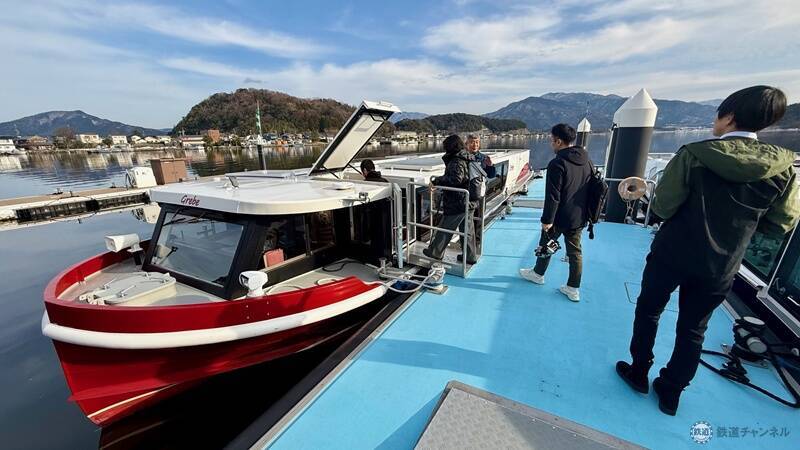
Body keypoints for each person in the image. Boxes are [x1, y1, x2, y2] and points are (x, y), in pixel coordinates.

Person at [616, 85, 799, 416]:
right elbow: (782, 223)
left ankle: (639, 371)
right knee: (693, 329)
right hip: (722, 264)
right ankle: (671, 391)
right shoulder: (784, 169)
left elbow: (663, 206)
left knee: (649, 311)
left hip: (671, 253)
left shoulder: (694, 155)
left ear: (729, 117)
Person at [519, 123, 591, 302]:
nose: (551, 144)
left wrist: (547, 220)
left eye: (552, 140)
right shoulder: (587, 160)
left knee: (547, 244)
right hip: (579, 216)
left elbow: (553, 196)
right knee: (575, 253)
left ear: (558, 141)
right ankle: (573, 288)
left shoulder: (557, 163)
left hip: (559, 216)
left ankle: (538, 274)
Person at [423, 134, 478, 263]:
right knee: (467, 231)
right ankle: (470, 256)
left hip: (458, 201)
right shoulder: (468, 157)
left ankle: (435, 252)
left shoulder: (457, 160)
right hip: (469, 200)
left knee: (446, 227)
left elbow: (456, 179)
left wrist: (437, 181)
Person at [464, 134, 495, 259]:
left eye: (477, 142)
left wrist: (491, 166)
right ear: (466, 144)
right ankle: (467, 243)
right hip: (466, 193)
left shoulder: (483, 158)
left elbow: (491, 175)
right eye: (471, 142)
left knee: (478, 218)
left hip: (480, 194)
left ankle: (476, 242)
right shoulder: (463, 157)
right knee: (467, 220)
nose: (475, 144)